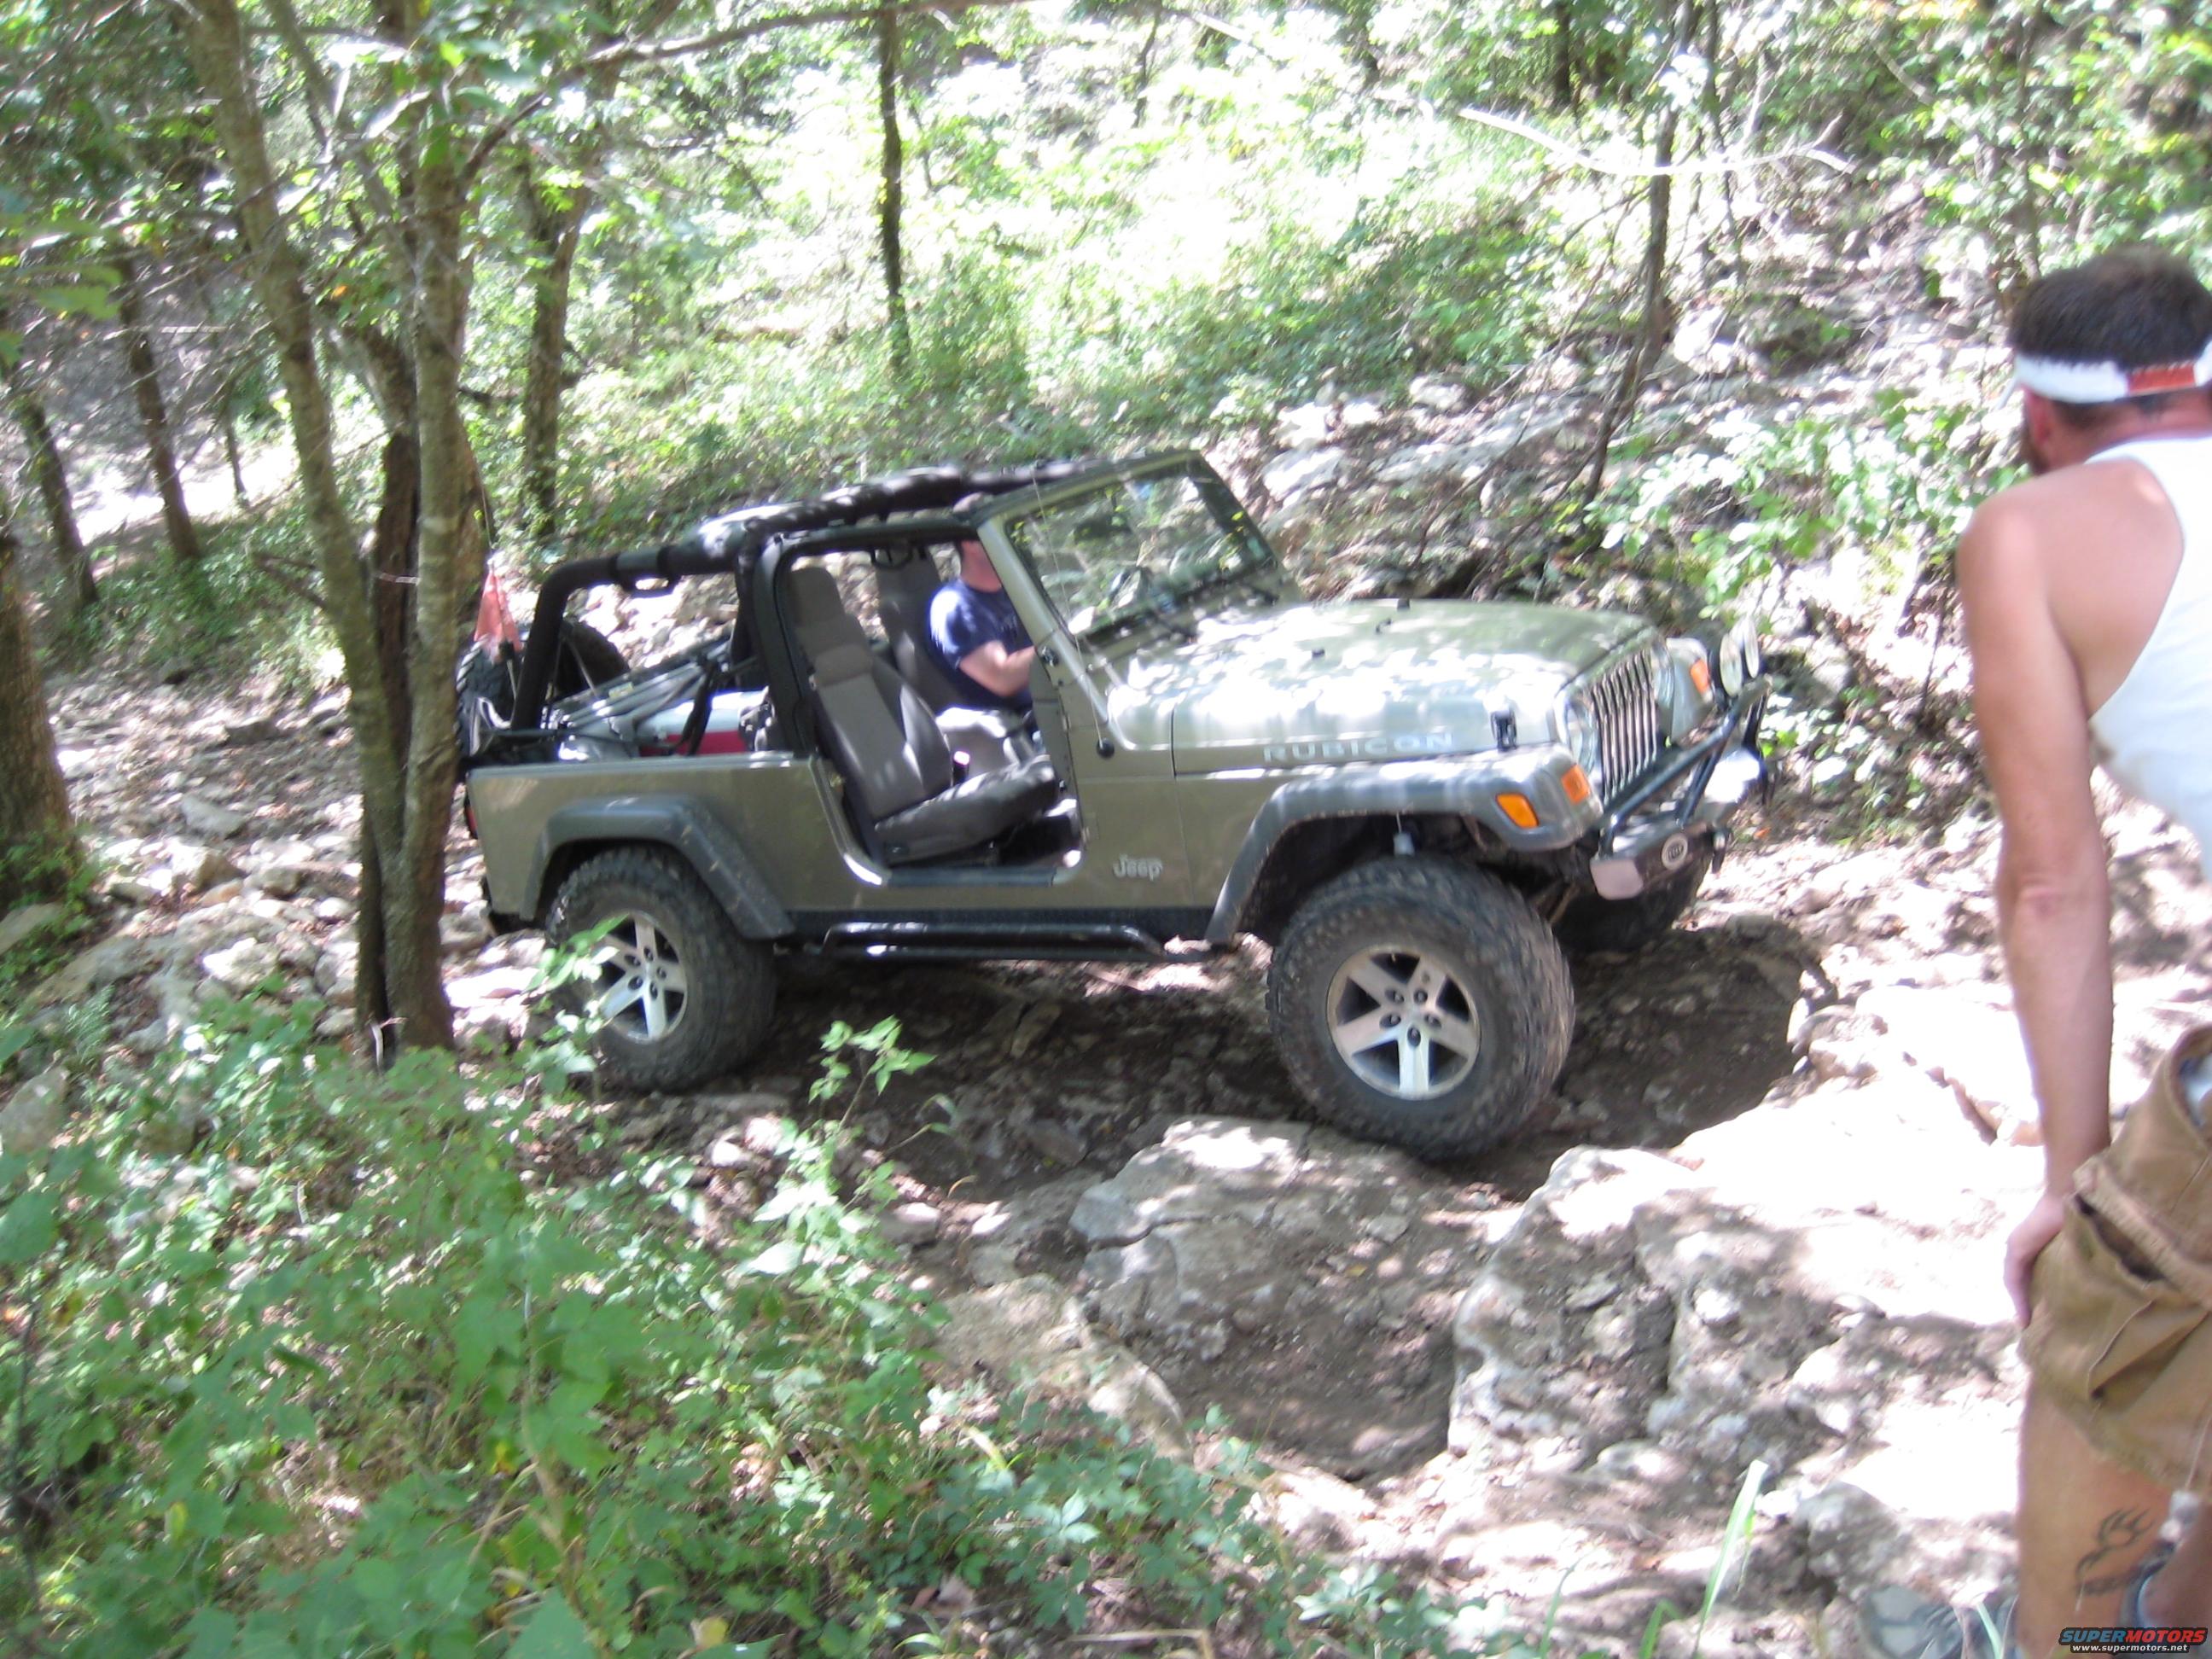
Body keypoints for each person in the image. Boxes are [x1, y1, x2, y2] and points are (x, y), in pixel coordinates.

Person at [1864, 247, 2212, 1659]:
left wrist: (2078, 1189)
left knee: (2111, 1319)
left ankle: (2066, 1642)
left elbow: (2058, 882)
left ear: (2037, 417)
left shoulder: (2032, 531)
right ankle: (2171, 1626)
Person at [928, 509, 1035, 713]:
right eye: (1007, 531)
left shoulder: (1013, 590)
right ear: (971, 544)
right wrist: (1064, 638)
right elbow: (1003, 678)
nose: (1018, 540)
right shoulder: (955, 605)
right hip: (1023, 722)